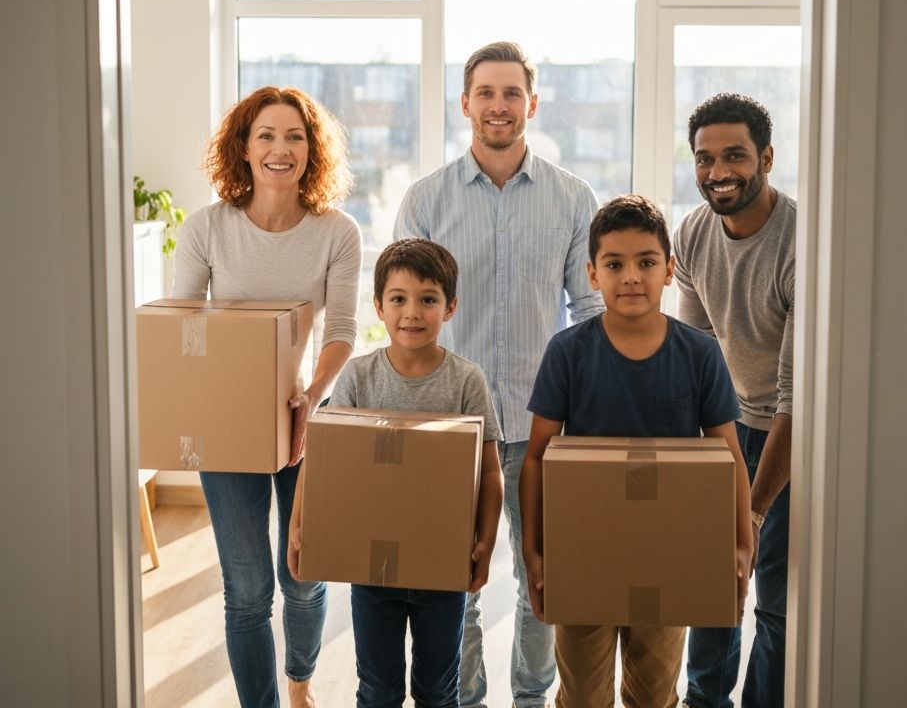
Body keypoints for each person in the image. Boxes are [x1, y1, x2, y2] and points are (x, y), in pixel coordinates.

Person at [394, 40, 604, 708]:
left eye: (512, 93)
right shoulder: (426, 200)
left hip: (544, 423)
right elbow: (405, 316)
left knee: (543, 578)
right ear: (465, 103)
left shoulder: (574, 198)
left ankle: (531, 698)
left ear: (532, 104)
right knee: (458, 579)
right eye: (486, 92)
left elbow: (590, 308)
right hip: (450, 426)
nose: (499, 105)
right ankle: (468, 699)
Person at [519, 194, 753, 708]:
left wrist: (741, 541)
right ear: (591, 273)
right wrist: (534, 551)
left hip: (667, 554)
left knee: (653, 695)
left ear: (669, 270)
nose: (630, 276)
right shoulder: (568, 351)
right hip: (583, 550)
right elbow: (537, 456)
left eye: (646, 262)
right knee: (582, 695)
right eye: (614, 264)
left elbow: (728, 455)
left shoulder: (699, 353)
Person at [172, 86, 362, 708]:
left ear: (313, 150)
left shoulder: (337, 231)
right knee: (249, 588)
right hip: (228, 424)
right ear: (244, 148)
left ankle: (300, 681)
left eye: (295, 137)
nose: (281, 149)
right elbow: (181, 330)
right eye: (266, 136)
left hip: (307, 413)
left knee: (302, 576)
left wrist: (310, 396)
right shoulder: (207, 228)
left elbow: (341, 331)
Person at [287, 238, 504, 708]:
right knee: (379, 691)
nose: (412, 312)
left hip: (442, 572)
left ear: (450, 308)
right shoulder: (359, 378)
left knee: (437, 692)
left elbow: (489, 473)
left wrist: (485, 542)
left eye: (428, 299)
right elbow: (322, 459)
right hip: (373, 573)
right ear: (379, 307)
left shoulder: (467, 381)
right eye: (399, 299)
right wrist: (299, 526)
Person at [672, 93, 796, 708]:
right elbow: (698, 363)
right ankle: (704, 701)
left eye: (735, 156)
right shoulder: (692, 233)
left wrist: (750, 513)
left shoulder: (802, 245)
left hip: (797, 436)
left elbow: (795, 401)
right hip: (730, 426)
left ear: (766, 157)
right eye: (704, 158)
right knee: (713, 583)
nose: (718, 172)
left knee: (773, 595)